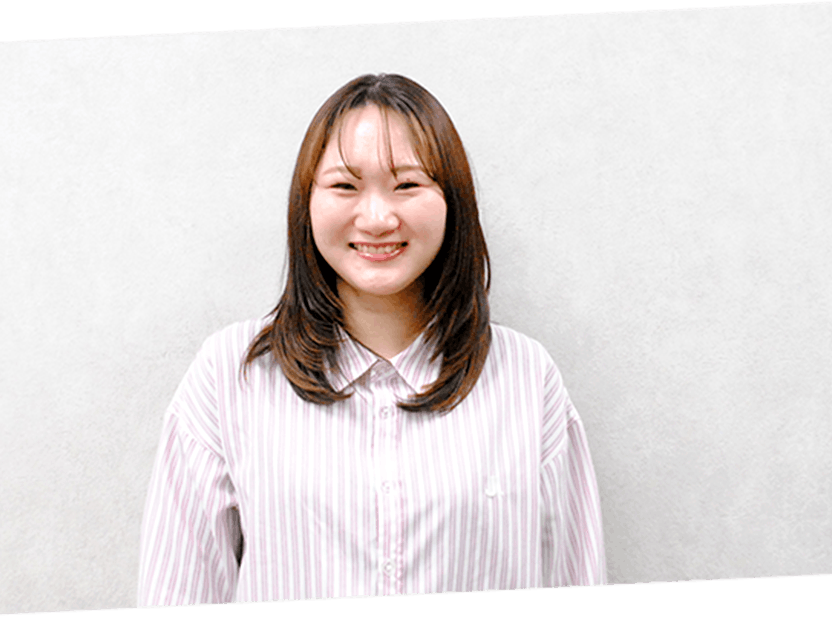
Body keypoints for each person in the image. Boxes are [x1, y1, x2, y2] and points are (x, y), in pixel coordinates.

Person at [137, 73, 605, 605]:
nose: (378, 219)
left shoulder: (525, 377)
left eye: (407, 185)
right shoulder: (231, 374)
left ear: (451, 201)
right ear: (307, 202)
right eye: (345, 186)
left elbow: (575, 572)